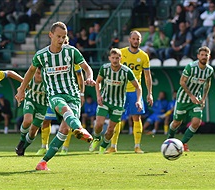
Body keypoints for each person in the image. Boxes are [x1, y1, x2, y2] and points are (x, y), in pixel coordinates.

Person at [15, 21, 95, 170]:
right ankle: (80, 128)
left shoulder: (72, 51)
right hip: (54, 95)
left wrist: (89, 77)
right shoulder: (41, 55)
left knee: (64, 130)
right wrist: (21, 89)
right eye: (58, 36)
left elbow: (86, 68)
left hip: (73, 95)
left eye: (64, 37)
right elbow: (30, 72)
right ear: (50, 35)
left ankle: (43, 162)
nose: (61, 40)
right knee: (65, 111)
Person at [106, 30, 153, 154]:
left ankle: (137, 146)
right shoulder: (121, 53)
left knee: (136, 118)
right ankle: (113, 146)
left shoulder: (143, 56)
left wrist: (150, 93)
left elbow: (147, 76)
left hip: (134, 91)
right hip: (119, 91)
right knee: (116, 118)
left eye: (138, 39)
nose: (136, 41)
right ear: (129, 39)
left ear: (140, 40)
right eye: (134, 39)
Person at [89, 48, 142, 154]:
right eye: (113, 58)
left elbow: (138, 87)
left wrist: (139, 100)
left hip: (118, 103)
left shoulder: (127, 71)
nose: (114, 60)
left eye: (117, 58)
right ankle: (96, 138)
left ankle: (103, 146)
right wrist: (98, 96)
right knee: (99, 124)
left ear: (120, 58)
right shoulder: (104, 68)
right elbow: (98, 81)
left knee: (110, 129)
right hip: (105, 100)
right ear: (109, 58)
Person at [167, 46, 214, 152]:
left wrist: (203, 98)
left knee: (197, 122)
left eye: (206, 55)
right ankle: (169, 140)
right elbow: (182, 82)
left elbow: (207, 83)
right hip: (183, 98)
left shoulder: (209, 70)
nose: (203, 57)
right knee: (176, 123)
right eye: (201, 55)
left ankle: (182, 144)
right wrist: (191, 95)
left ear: (209, 57)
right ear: (198, 56)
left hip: (196, 100)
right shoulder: (191, 67)